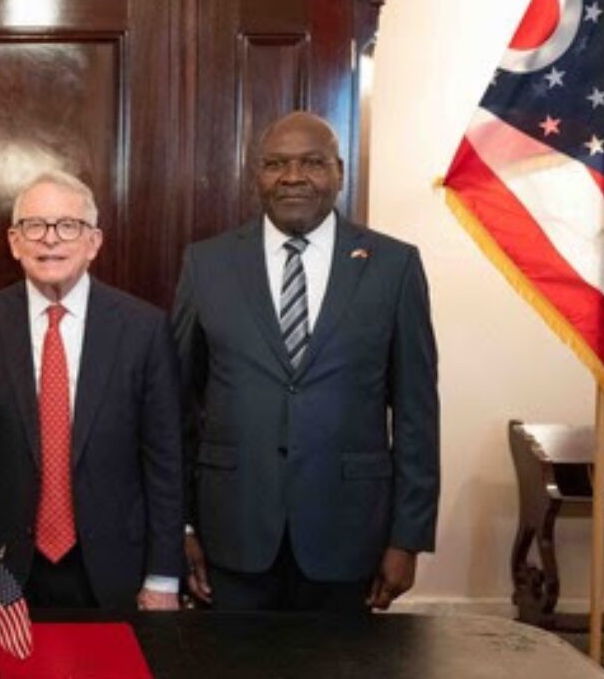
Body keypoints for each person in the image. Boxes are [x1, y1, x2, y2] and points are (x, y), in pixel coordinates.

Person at [173, 111, 439, 612]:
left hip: (349, 534)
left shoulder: (394, 266)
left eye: (312, 163)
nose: (292, 177)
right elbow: (178, 407)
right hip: (232, 531)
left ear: (339, 172)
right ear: (257, 175)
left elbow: (416, 414)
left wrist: (408, 538)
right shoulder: (206, 264)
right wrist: (181, 526)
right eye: (276, 164)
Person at [0, 170, 184, 611]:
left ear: (94, 242)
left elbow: (165, 460)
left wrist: (163, 576)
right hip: (4, 562)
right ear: (15, 242)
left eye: (68, 226)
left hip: (115, 565)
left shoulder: (144, 329)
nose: (50, 239)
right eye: (35, 226)